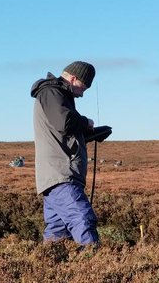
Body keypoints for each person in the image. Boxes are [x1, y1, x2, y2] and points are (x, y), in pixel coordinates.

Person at [31, 61, 104, 247]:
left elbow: (63, 132)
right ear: (73, 78)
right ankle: (94, 266)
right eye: (83, 87)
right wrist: (85, 122)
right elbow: (64, 123)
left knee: (58, 233)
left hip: (57, 176)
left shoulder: (57, 95)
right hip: (61, 175)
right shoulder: (51, 92)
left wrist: (90, 134)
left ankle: (50, 268)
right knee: (83, 219)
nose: (82, 94)